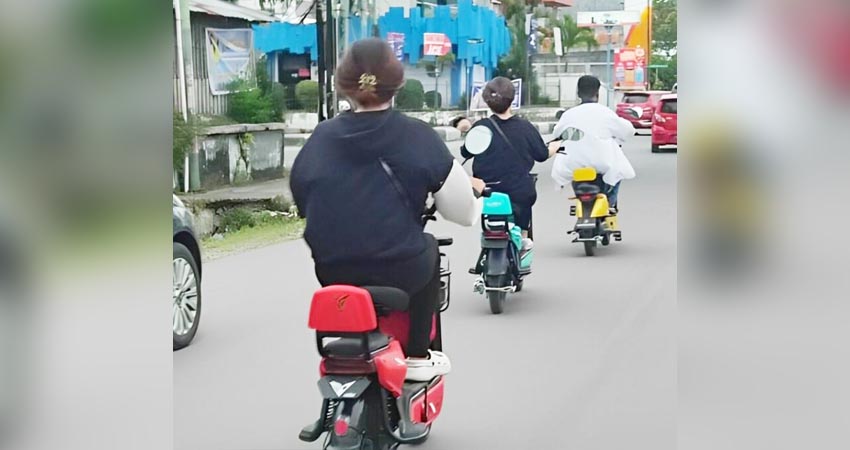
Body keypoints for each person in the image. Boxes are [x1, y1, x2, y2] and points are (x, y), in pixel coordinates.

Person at [290, 38, 484, 382]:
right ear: (397, 85)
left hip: (334, 275)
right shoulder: (418, 137)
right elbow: (465, 214)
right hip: (401, 272)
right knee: (429, 248)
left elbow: (303, 199)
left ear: (342, 85)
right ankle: (419, 355)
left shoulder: (320, 139)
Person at [460, 77, 557, 252]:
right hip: (518, 190)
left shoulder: (481, 128)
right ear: (512, 99)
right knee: (525, 199)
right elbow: (541, 155)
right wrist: (554, 148)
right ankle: (524, 239)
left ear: (487, 102)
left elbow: (465, 152)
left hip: (487, 191)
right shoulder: (525, 127)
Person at [550, 75, 636, 211]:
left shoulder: (568, 115)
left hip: (573, 166)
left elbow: (556, 135)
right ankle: (610, 205)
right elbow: (628, 131)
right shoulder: (605, 113)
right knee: (618, 170)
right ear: (597, 93)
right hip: (602, 165)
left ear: (578, 93)